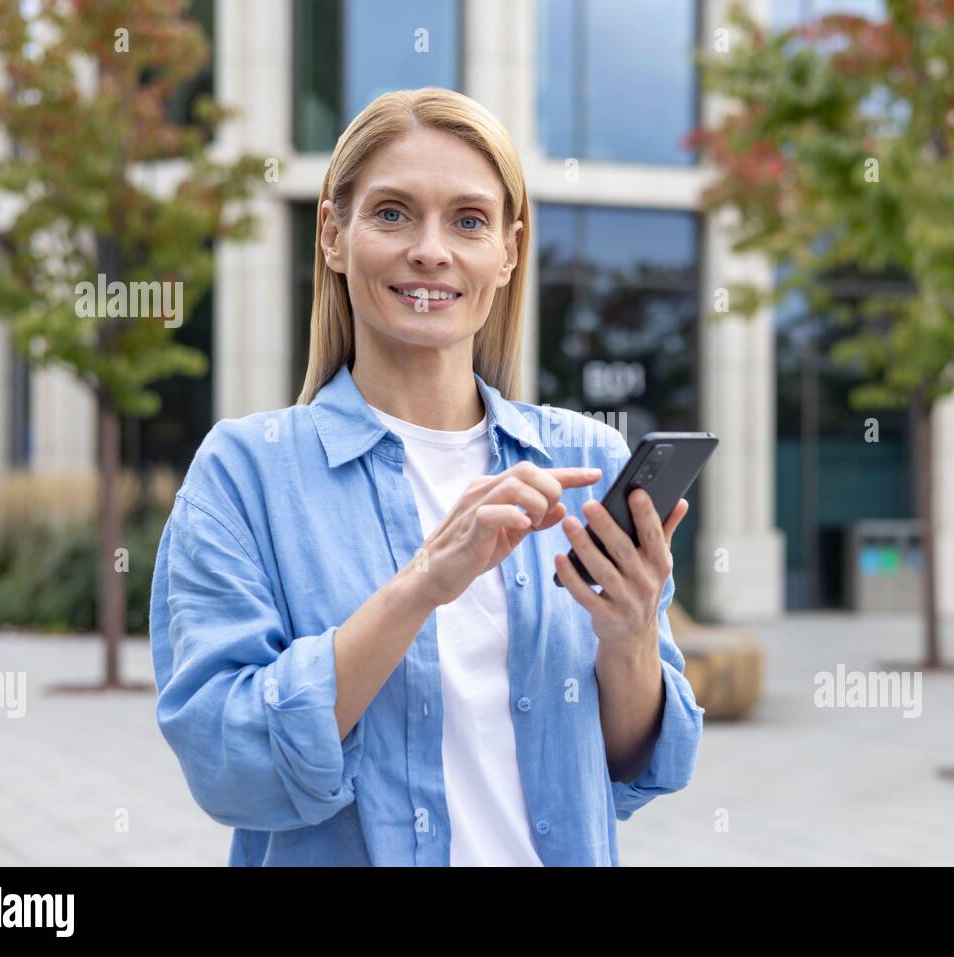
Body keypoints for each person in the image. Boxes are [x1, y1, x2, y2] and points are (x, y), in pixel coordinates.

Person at [149, 87, 704, 866]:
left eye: (469, 221)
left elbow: (640, 766)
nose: (431, 250)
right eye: (393, 213)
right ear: (333, 234)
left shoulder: (585, 462)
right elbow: (228, 763)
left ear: (509, 252)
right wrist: (423, 584)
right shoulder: (246, 474)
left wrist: (631, 634)